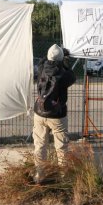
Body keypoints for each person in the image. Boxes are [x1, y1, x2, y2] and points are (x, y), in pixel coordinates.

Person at [33, 44, 76, 184]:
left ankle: (40, 175)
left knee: (39, 145)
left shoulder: (41, 68)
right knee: (62, 147)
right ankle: (65, 178)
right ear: (61, 59)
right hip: (57, 115)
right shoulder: (64, 74)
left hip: (39, 112)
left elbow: (42, 60)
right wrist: (65, 61)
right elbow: (72, 77)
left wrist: (53, 56)